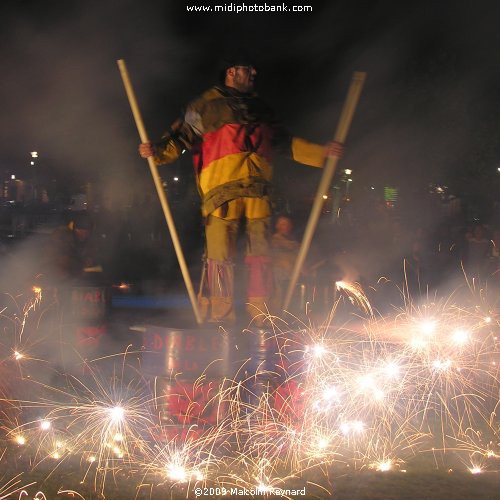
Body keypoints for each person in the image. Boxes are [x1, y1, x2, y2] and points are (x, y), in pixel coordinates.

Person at [139, 52, 343, 325]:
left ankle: (263, 316)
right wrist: (156, 151)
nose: (254, 74)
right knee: (220, 259)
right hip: (221, 194)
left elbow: (285, 143)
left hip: (258, 193)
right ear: (232, 72)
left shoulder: (261, 108)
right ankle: (219, 317)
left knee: (260, 257)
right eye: (249, 69)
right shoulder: (204, 106)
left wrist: (322, 154)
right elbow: (179, 139)